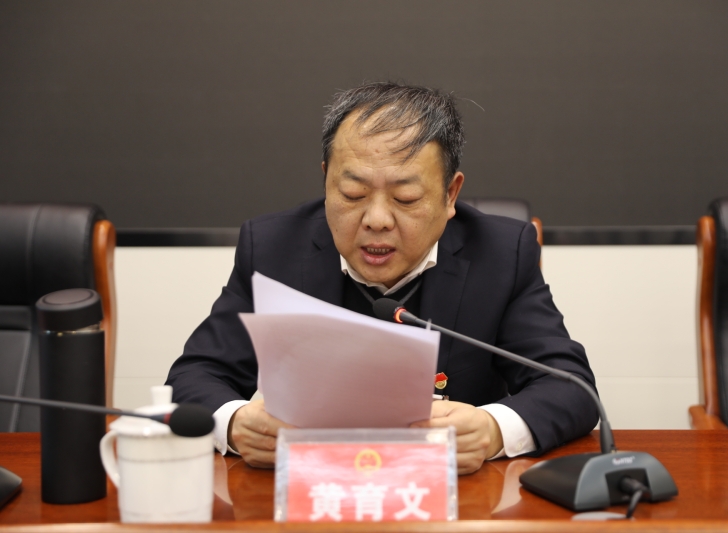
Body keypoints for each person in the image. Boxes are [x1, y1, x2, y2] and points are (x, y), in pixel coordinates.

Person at [166, 82, 598, 475]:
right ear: (326, 181)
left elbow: (570, 386)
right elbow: (194, 376)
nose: (376, 219)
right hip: (312, 494)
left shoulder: (501, 253)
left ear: (450, 194)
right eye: (352, 194)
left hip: (448, 499)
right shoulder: (273, 248)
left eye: (405, 198)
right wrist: (236, 422)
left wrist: (492, 429)